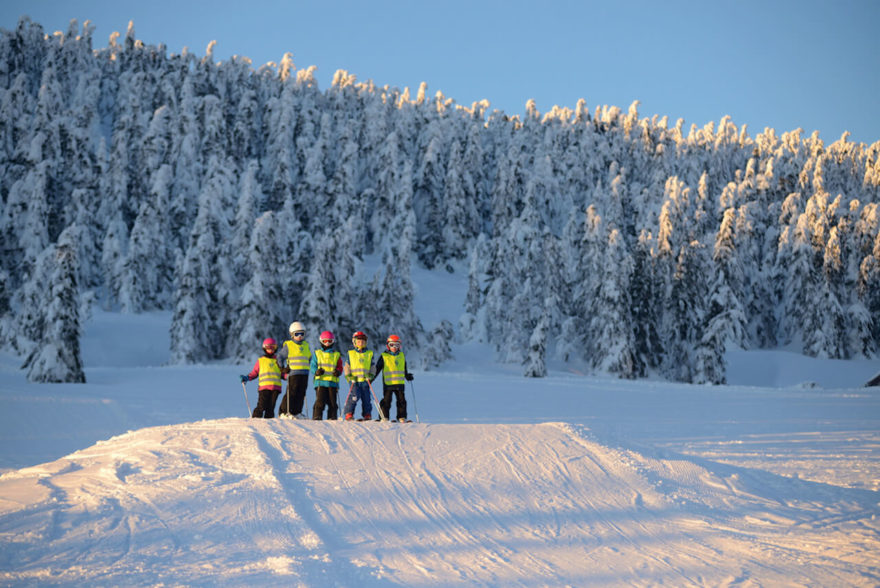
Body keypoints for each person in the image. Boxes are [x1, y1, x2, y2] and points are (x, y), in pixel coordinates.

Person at [240, 338, 286, 418]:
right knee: (262, 406)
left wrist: (288, 376)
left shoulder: (278, 360)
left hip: (275, 388)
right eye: (269, 348)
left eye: (273, 348)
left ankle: (269, 423)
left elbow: (282, 373)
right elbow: (255, 372)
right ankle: (256, 419)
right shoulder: (261, 361)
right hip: (264, 388)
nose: (271, 350)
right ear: (264, 348)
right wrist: (247, 378)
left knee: (271, 408)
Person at [373, 334, 414, 422]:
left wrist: (407, 376)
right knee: (387, 401)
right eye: (392, 345)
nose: (394, 347)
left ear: (400, 346)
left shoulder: (401, 356)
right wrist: (371, 379)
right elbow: (377, 369)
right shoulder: (384, 356)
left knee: (401, 401)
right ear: (388, 345)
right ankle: (384, 416)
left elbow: (404, 368)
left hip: (399, 383)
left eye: (397, 345)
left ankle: (401, 416)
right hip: (388, 384)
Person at [277, 321, 310, 418]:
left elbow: (310, 358)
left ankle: (297, 412)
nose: (300, 336)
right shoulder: (289, 345)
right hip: (293, 373)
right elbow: (280, 356)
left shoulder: (305, 345)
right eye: (297, 334)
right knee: (292, 392)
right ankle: (284, 412)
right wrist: (282, 368)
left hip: (304, 373)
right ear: (292, 335)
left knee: (301, 393)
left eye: (302, 334)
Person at [343, 331, 375, 421]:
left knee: (366, 398)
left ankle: (367, 414)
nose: (361, 343)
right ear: (354, 342)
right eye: (359, 341)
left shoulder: (369, 353)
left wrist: (371, 374)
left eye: (363, 341)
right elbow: (347, 367)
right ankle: (349, 413)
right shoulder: (351, 353)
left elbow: (373, 366)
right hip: (354, 381)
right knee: (354, 397)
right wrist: (348, 376)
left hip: (365, 381)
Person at [311, 330, 343, 420]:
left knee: (332, 403)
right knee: (320, 402)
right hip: (321, 382)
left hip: (332, 383)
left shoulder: (336, 354)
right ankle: (317, 417)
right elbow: (312, 365)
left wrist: (338, 372)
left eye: (330, 341)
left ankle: (332, 418)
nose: (327, 343)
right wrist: (316, 371)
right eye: (325, 341)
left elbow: (340, 366)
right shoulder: (318, 353)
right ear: (321, 341)